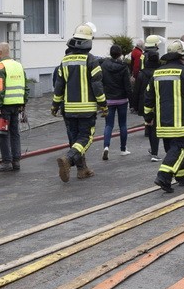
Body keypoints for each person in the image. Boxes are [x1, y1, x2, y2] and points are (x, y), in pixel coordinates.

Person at [143, 40, 184, 192]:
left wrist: (148, 117)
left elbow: (148, 97)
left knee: (172, 150)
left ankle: (183, 177)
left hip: (163, 123)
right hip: (183, 122)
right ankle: (164, 176)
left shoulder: (157, 73)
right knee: (179, 149)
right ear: (182, 57)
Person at [53, 23, 107, 182]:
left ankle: (82, 170)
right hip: (87, 109)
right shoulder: (91, 60)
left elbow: (59, 86)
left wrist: (54, 105)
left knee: (75, 138)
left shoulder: (65, 60)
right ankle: (69, 159)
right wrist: (103, 105)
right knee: (85, 137)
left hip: (68, 109)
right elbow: (97, 85)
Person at [0, 41, 27, 172]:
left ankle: (6, 161)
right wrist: (23, 103)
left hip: (4, 106)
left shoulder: (0, 67)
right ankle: (16, 161)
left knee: (3, 134)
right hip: (16, 105)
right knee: (15, 133)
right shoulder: (18, 65)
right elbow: (25, 87)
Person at [131, 36, 162, 160]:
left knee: (149, 118)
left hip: (144, 87)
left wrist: (134, 104)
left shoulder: (143, 56)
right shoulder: (160, 72)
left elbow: (136, 90)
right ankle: (155, 148)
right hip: (155, 94)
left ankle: (148, 129)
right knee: (156, 123)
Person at [101, 43, 133, 159]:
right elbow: (127, 86)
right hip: (122, 99)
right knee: (123, 125)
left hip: (109, 99)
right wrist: (131, 100)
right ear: (120, 54)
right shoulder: (124, 67)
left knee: (108, 125)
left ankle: (106, 147)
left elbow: (101, 81)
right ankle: (123, 149)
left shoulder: (104, 65)